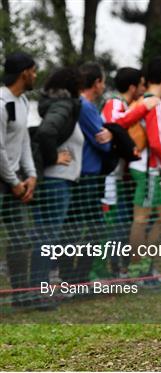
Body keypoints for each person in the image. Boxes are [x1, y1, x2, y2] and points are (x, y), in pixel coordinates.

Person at [101, 67, 160, 278]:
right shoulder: (114, 103)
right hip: (109, 178)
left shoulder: (125, 105)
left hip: (121, 176)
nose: (144, 90)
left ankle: (121, 268)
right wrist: (143, 107)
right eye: (142, 85)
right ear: (133, 86)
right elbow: (114, 124)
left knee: (124, 222)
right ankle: (111, 269)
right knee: (115, 225)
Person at [58, 62, 112, 285]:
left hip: (83, 174)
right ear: (97, 83)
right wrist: (109, 136)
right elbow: (103, 144)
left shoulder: (78, 103)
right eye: (103, 81)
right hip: (87, 176)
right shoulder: (86, 106)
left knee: (76, 226)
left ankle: (72, 276)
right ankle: (74, 277)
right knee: (86, 227)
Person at [30, 67, 83, 292]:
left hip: (56, 180)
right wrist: (53, 157)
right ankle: (40, 289)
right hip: (56, 180)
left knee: (45, 236)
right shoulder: (63, 105)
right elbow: (46, 132)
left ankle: (36, 288)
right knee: (48, 237)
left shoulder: (59, 105)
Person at [127, 57, 161, 280]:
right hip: (147, 168)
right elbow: (157, 141)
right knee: (141, 218)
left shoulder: (145, 100)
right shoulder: (155, 103)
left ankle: (145, 265)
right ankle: (137, 271)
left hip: (146, 168)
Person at [0, 51, 37, 307]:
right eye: (34, 71)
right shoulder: (2, 103)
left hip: (13, 182)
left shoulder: (23, 101)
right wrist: (13, 181)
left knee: (20, 238)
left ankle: (21, 294)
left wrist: (31, 174)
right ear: (24, 72)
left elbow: (23, 140)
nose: (36, 75)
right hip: (7, 181)